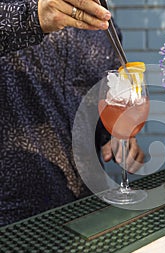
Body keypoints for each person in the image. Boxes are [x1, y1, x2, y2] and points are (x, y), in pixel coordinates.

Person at [0, 0, 144, 226]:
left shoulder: (105, 27)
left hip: (87, 205)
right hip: (15, 211)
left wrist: (115, 137)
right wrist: (32, 17)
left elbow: (103, 101)